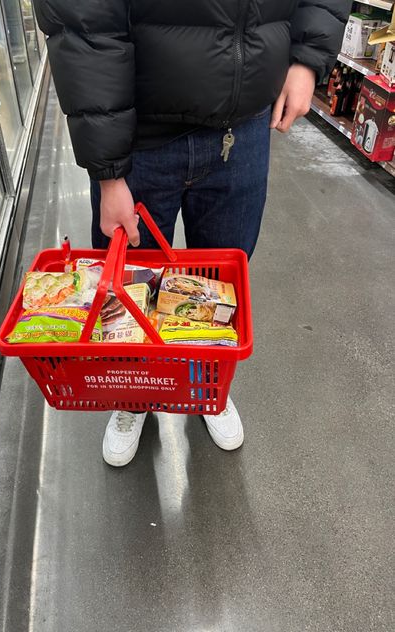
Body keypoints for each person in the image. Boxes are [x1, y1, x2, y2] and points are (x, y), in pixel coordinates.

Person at [33, 0, 352, 467]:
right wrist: (108, 172)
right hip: (138, 135)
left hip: (243, 127)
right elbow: (83, 18)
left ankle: (207, 381)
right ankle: (133, 394)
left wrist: (308, 57)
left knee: (219, 284)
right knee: (129, 285)